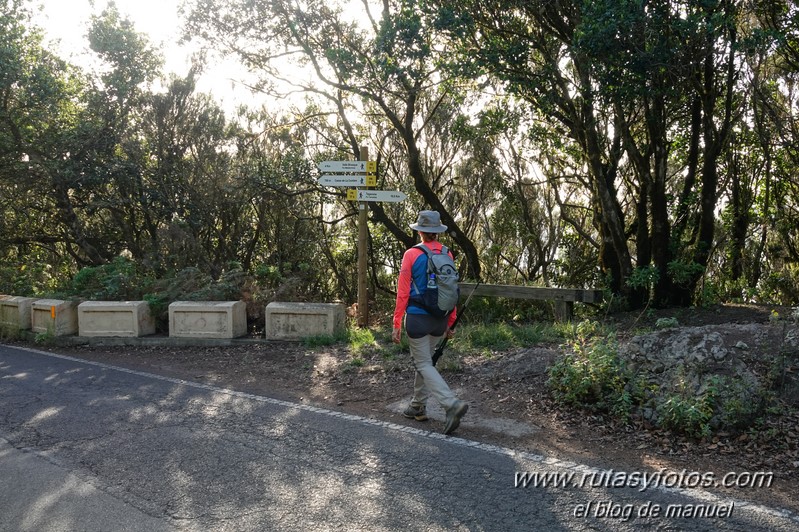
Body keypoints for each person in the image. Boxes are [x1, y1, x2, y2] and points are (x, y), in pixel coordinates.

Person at [392, 210, 468, 435]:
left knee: (423, 363)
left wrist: (396, 323)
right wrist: (450, 322)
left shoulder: (411, 254)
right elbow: (452, 290)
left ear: (421, 231)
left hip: (417, 319)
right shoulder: (447, 253)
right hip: (440, 319)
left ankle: (451, 404)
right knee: (425, 362)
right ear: (437, 231)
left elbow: (403, 292)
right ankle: (418, 406)